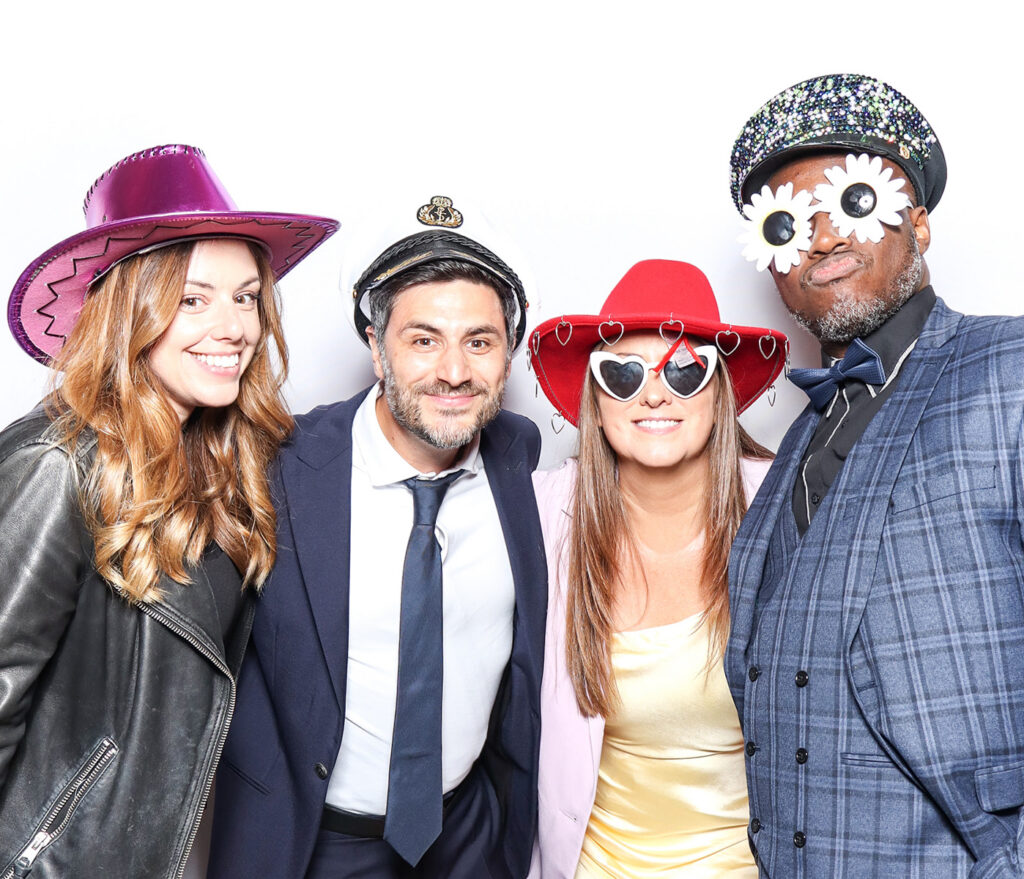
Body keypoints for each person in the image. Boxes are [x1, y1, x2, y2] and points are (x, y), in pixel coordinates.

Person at [0, 144, 337, 877]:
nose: (234, 327)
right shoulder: (56, 466)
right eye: (193, 298)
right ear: (132, 310)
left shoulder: (222, 464)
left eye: (246, 296)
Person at [726, 72, 1024, 877]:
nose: (822, 239)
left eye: (851, 203)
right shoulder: (795, 440)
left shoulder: (1012, 367)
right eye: (790, 223)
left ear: (917, 223)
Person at [208, 196, 547, 879]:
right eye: (423, 340)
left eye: (479, 341)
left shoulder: (519, 458)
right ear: (375, 346)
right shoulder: (277, 468)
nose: (454, 371)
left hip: (469, 837)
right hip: (314, 845)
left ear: (507, 354)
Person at [527, 259, 787, 877]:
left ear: (720, 392)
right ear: (596, 402)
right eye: (621, 374)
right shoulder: (538, 518)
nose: (654, 394)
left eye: (685, 369)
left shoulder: (791, 509)